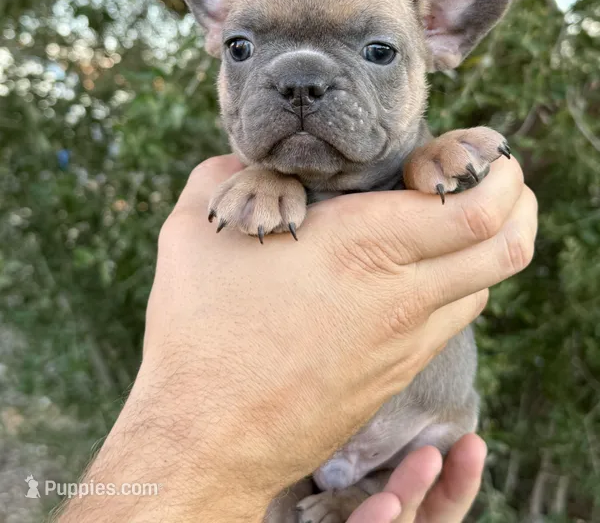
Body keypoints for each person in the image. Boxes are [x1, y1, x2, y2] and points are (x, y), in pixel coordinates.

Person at [58, 154, 537, 523]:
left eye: (378, 52)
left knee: (442, 450)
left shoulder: (423, 162)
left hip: (413, 434)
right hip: (284, 466)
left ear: (440, 36)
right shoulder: (256, 183)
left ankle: (362, 492)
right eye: (244, 47)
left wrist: (430, 160)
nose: (300, 85)